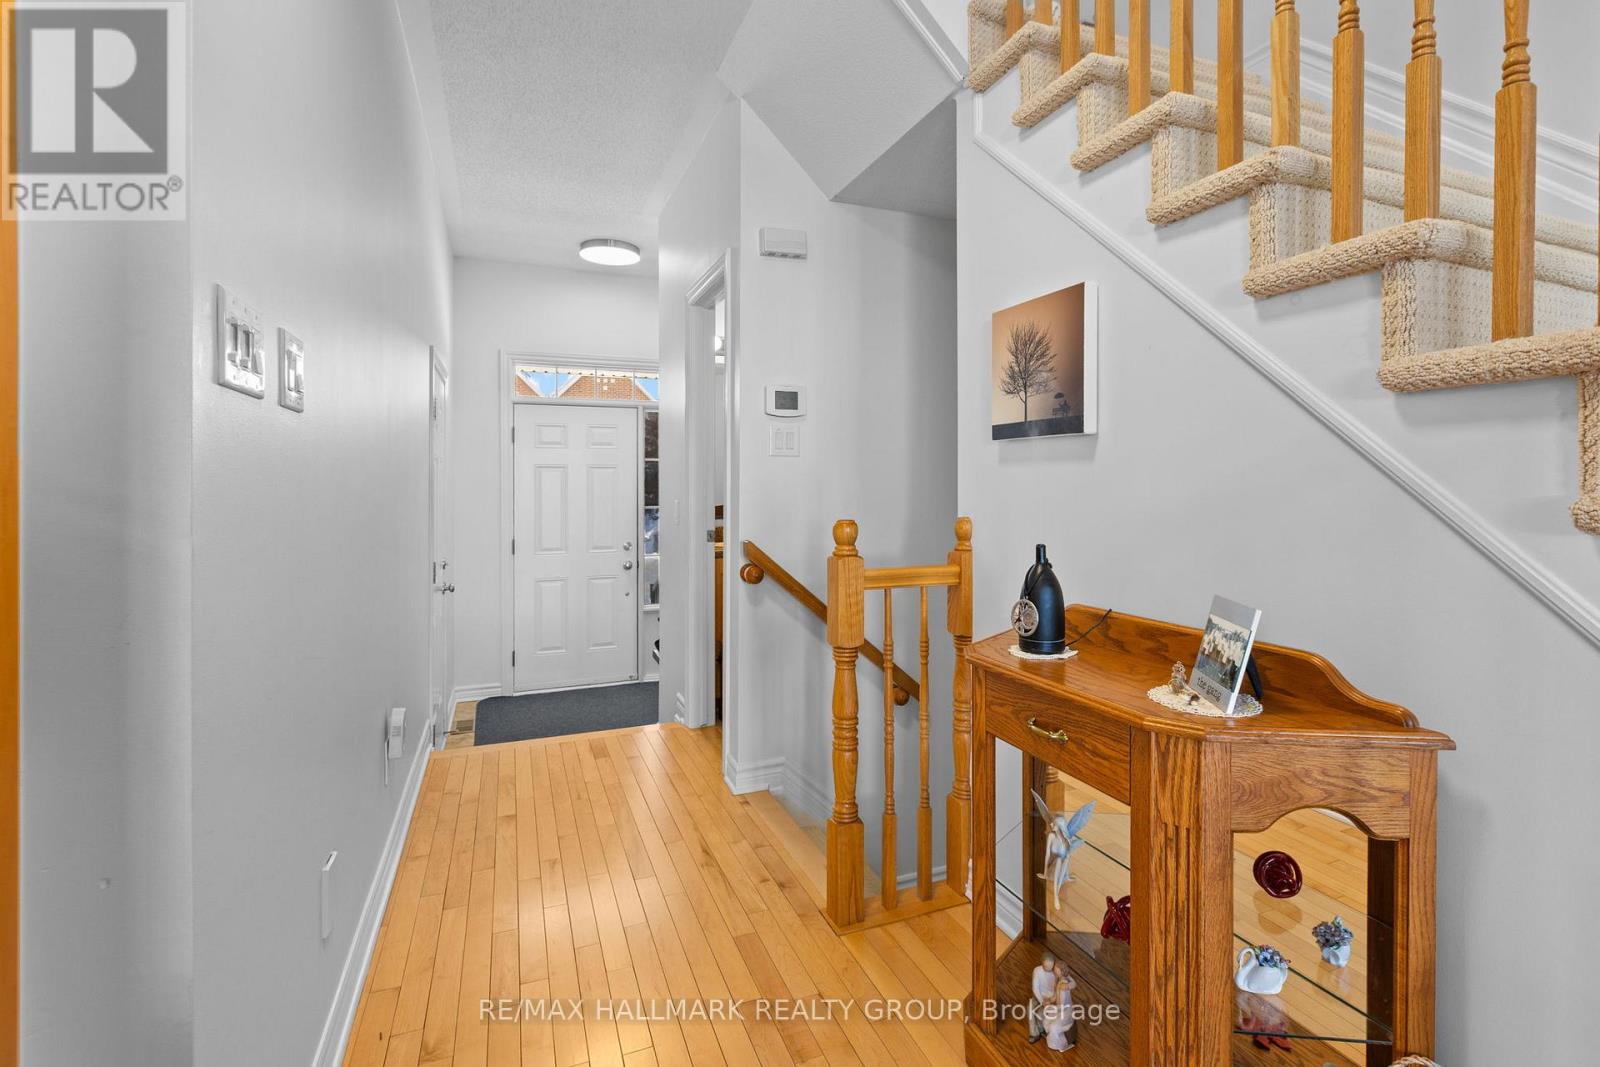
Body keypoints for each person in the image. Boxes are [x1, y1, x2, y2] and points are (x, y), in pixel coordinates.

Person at [1043, 962, 1078, 1051]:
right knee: (1046, 1020)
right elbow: (1055, 997)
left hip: (1066, 1011)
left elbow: (1063, 1005)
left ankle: (1062, 1044)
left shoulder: (1064, 985)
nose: (1054, 971)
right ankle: (1051, 1039)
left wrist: (1051, 1008)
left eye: (1056, 970)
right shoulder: (1059, 982)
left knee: (1054, 1027)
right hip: (1060, 1009)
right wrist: (1049, 1000)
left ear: (1061, 971)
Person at [1027, 953, 1059, 1043]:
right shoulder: (1037, 971)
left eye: (1051, 967)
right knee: (1029, 1009)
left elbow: (1058, 989)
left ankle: (1042, 1029)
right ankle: (1034, 1033)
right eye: (1046, 967)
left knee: (1041, 1013)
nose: (1049, 969)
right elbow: (1035, 987)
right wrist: (1041, 1001)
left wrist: (1051, 999)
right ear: (1042, 964)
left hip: (1051, 998)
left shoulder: (1056, 972)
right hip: (1039, 997)